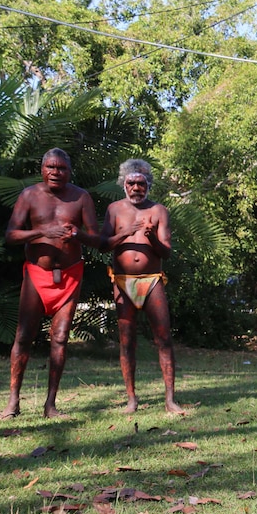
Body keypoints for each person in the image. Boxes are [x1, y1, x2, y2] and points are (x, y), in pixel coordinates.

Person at [0, 148, 101, 419]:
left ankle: (50, 404)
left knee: (60, 338)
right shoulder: (29, 195)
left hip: (69, 275)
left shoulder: (81, 197)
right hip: (37, 275)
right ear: (42, 169)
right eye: (51, 167)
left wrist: (78, 234)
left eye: (62, 168)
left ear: (70, 172)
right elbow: (11, 235)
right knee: (23, 336)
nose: (56, 172)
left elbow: (98, 240)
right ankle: (13, 402)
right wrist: (42, 231)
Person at [100, 159, 185, 415]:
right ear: (123, 185)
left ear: (148, 185)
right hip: (123, 281)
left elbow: (166, 252)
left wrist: (150, 237)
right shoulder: (114, 210)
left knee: (164, 338)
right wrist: (125, 234)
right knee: (127, 342)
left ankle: (170, 399)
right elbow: (103, 244)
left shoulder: (159, 211)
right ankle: (131, 399)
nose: (136, 188)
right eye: (131, 183)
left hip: (152, 280)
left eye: (141, 183)